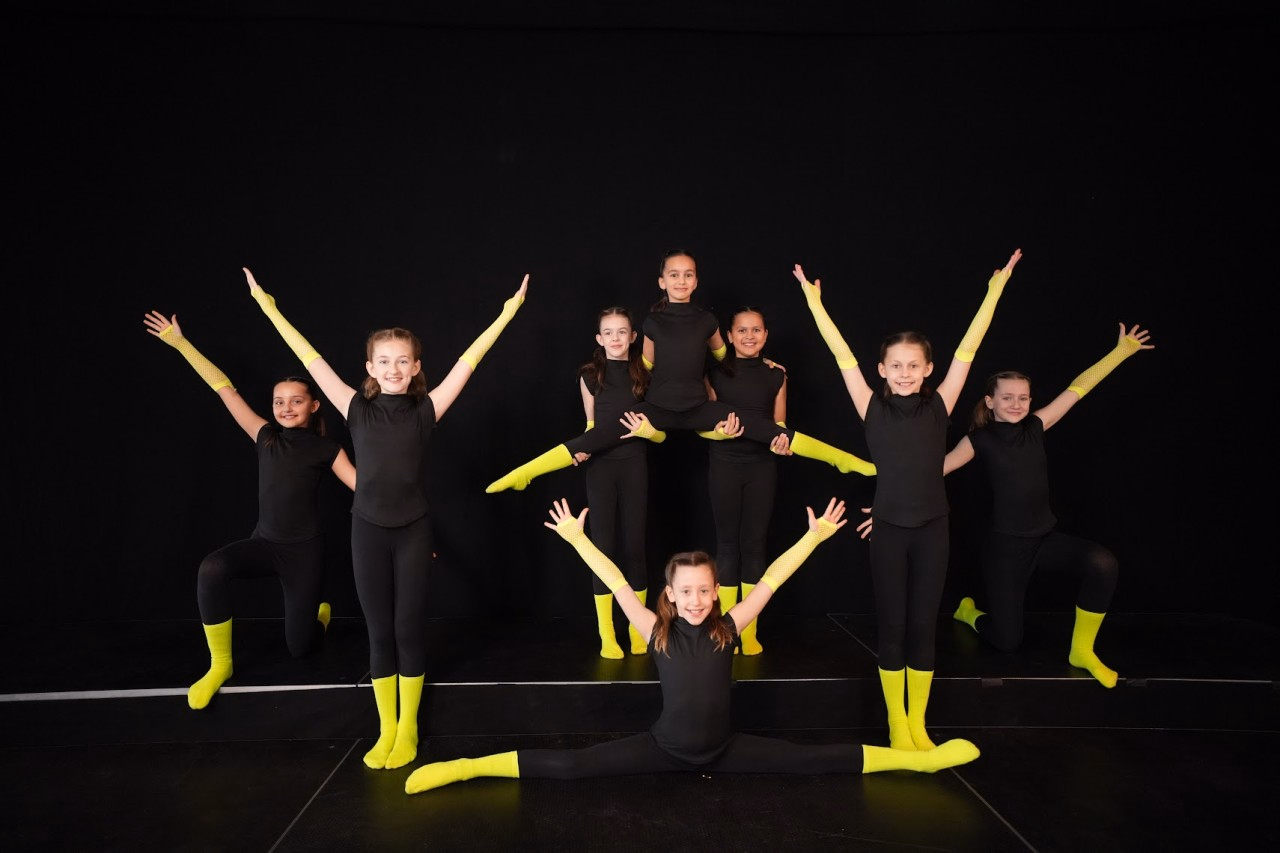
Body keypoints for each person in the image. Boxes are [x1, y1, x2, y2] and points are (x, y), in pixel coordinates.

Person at [404, 496, 980, 795]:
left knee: (817, 758)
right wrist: (579, 538)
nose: (698, 600)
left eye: (706, 590)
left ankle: (918, 762)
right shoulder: (654, 631)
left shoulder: (728, 626)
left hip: (726, 749)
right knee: (571, 768)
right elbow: (611, 579)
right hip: (665, 748)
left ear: (715, 591)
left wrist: (812, 537)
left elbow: (774, 578)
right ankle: (466, 769)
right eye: (688, 592)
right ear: (670, 596)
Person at [245, 266, 528, 770]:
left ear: (417, 366)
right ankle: (387, 727)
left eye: (403, 361)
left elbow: (472, 359)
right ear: (370, 367)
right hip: (367, 530)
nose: (394, 368)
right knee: (378, 633)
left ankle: (410, 728)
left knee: (406, 630)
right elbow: (307, 354)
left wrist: (507, 312)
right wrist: (269, 307)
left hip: (414, 530)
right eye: (384, 361)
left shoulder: (427, 410)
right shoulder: (354, 407)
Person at [795, 248, 1021, 752]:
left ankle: (918, 722)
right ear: (881, 369)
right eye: (895, 365)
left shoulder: (941, 403)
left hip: (934, 528)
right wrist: (815, 303)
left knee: (924, 625)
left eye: (913, 365)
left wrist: (994, 290)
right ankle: (897, 722)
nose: (903, 372)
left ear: (928, 369)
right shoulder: (870, 405)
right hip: (890, 531)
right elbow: (840, 355)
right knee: (893, 625)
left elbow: (970, 347)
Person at [485, 250, 874, 493]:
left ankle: (843, 459)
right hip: (657, 407)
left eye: (688, 274)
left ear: (696, 280)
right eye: (674, 274)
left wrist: (762, 362)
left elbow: (724, 359)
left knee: (768, 430)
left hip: (699, 408)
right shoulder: (652, 323)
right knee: (597, 437)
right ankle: (524, 472)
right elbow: (647, 365)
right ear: (662, 281)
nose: (681, 280)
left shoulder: (707, 320)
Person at [143, 309, 357, 710]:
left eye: (296, 401)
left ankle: (317, 618)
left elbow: (362, 488)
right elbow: (225, 389)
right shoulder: (264, 436)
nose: (286, 407)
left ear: (314, 406)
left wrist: (408, 524)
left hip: (304, 553)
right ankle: (219, 664)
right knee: (212, 568)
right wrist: (181, 343)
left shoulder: (326, 448)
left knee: (301, 649)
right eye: (279, 401)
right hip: (265, 543)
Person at [944, 322, 1154, 688]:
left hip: (1043, 539)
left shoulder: (1037, 424)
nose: (1017, 404)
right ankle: (970, 613)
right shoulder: (979, 439)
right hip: (1006, 550)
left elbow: (1079, 387)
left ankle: (1082, 651)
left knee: (1102, 563)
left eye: (1023, 397)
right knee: (1008, 642)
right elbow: (936, 470)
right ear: (990, 400)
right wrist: (886, 500)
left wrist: (1121, 352)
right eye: (1007, 397)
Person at [702, 306, 794, 654]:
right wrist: (719, 432)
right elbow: (703, 424)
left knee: (755, 546)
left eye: (756, 330)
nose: (750, 336)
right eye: (742, 330)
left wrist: (783, 440)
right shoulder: (714, 374)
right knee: (727, 545)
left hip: (761, 468)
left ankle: (749, 630)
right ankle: (726, 628)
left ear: (766, 335)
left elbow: (780, 424)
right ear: (729, 335)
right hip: (724, 465)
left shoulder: (777, 376)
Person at [575, 306, 658, 658]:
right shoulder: (590, 375)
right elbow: (592, 425)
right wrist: (581, 449)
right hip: (601, 470)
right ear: (599, 338)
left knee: (635, 548)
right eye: (608, 332)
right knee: (604, 549)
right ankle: (607, 634)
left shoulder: (646, 373)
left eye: (622, 332)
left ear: (633, 336)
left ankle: (638, 629)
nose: (615, 338)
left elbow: (660, 433)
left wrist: (649, 432)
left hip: (635, 466)